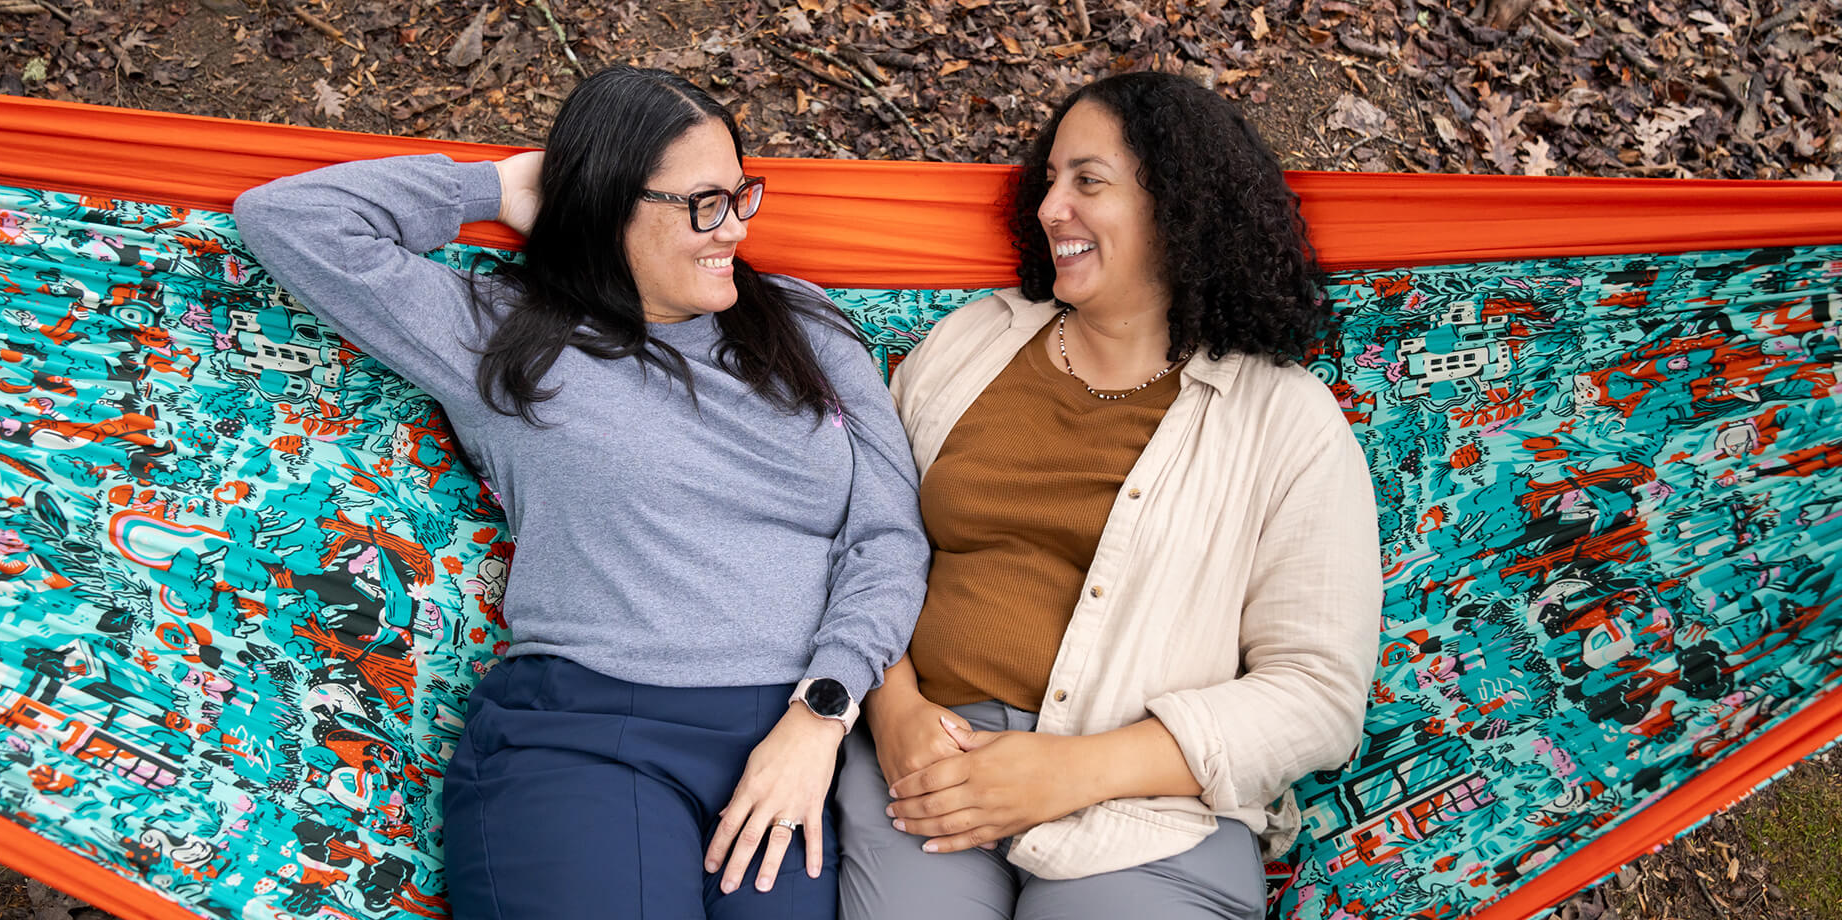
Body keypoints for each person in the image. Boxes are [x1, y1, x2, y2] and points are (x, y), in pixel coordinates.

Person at [233, 65, 929, 920]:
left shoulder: (804, 324)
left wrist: (823, 712)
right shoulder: (501, 335)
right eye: (702, 204)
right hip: (591, 736)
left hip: (792, 740)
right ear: (605, 204)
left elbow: (889, 538)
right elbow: (288, 220)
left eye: (742, 193)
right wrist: (492, 186)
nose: (735, 229)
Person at [835, 71, 1382, 919]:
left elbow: (1317, 697)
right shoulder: (972, 343)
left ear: (1182, 210)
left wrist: (1073, 769)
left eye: (1088, 182)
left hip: (1145, 812)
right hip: (925, 771)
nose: (1053, 207)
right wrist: (894, 707)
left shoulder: (1284, 420)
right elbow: (862, 539)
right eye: (1049, 181)